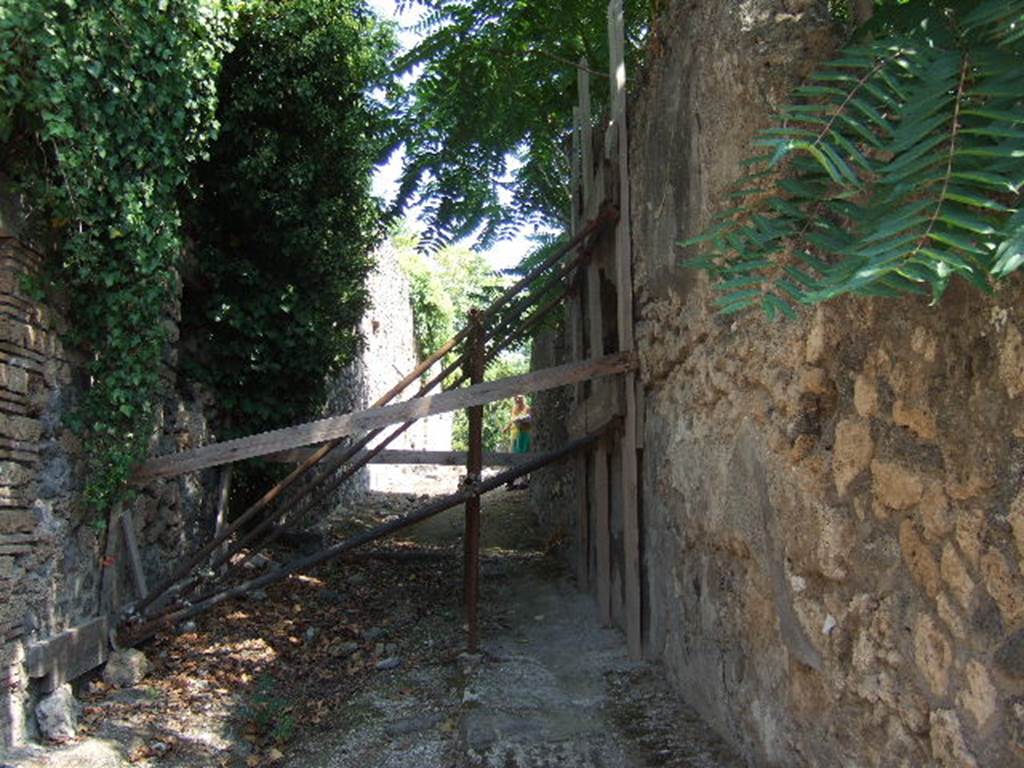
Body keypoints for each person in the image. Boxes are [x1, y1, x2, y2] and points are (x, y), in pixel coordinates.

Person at [503, 395, 532, 489]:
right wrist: (507, 428)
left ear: (523, 399)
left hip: (524, 435)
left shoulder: (528, 409)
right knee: (514, 458)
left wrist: (522, 421)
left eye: (519, 398)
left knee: (523, 456)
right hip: (514, 436)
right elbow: (512, 420)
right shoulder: (514, 409)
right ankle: (512, 481)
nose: (517, 400)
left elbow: (530, 421)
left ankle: (524, 480)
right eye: (516, 399)